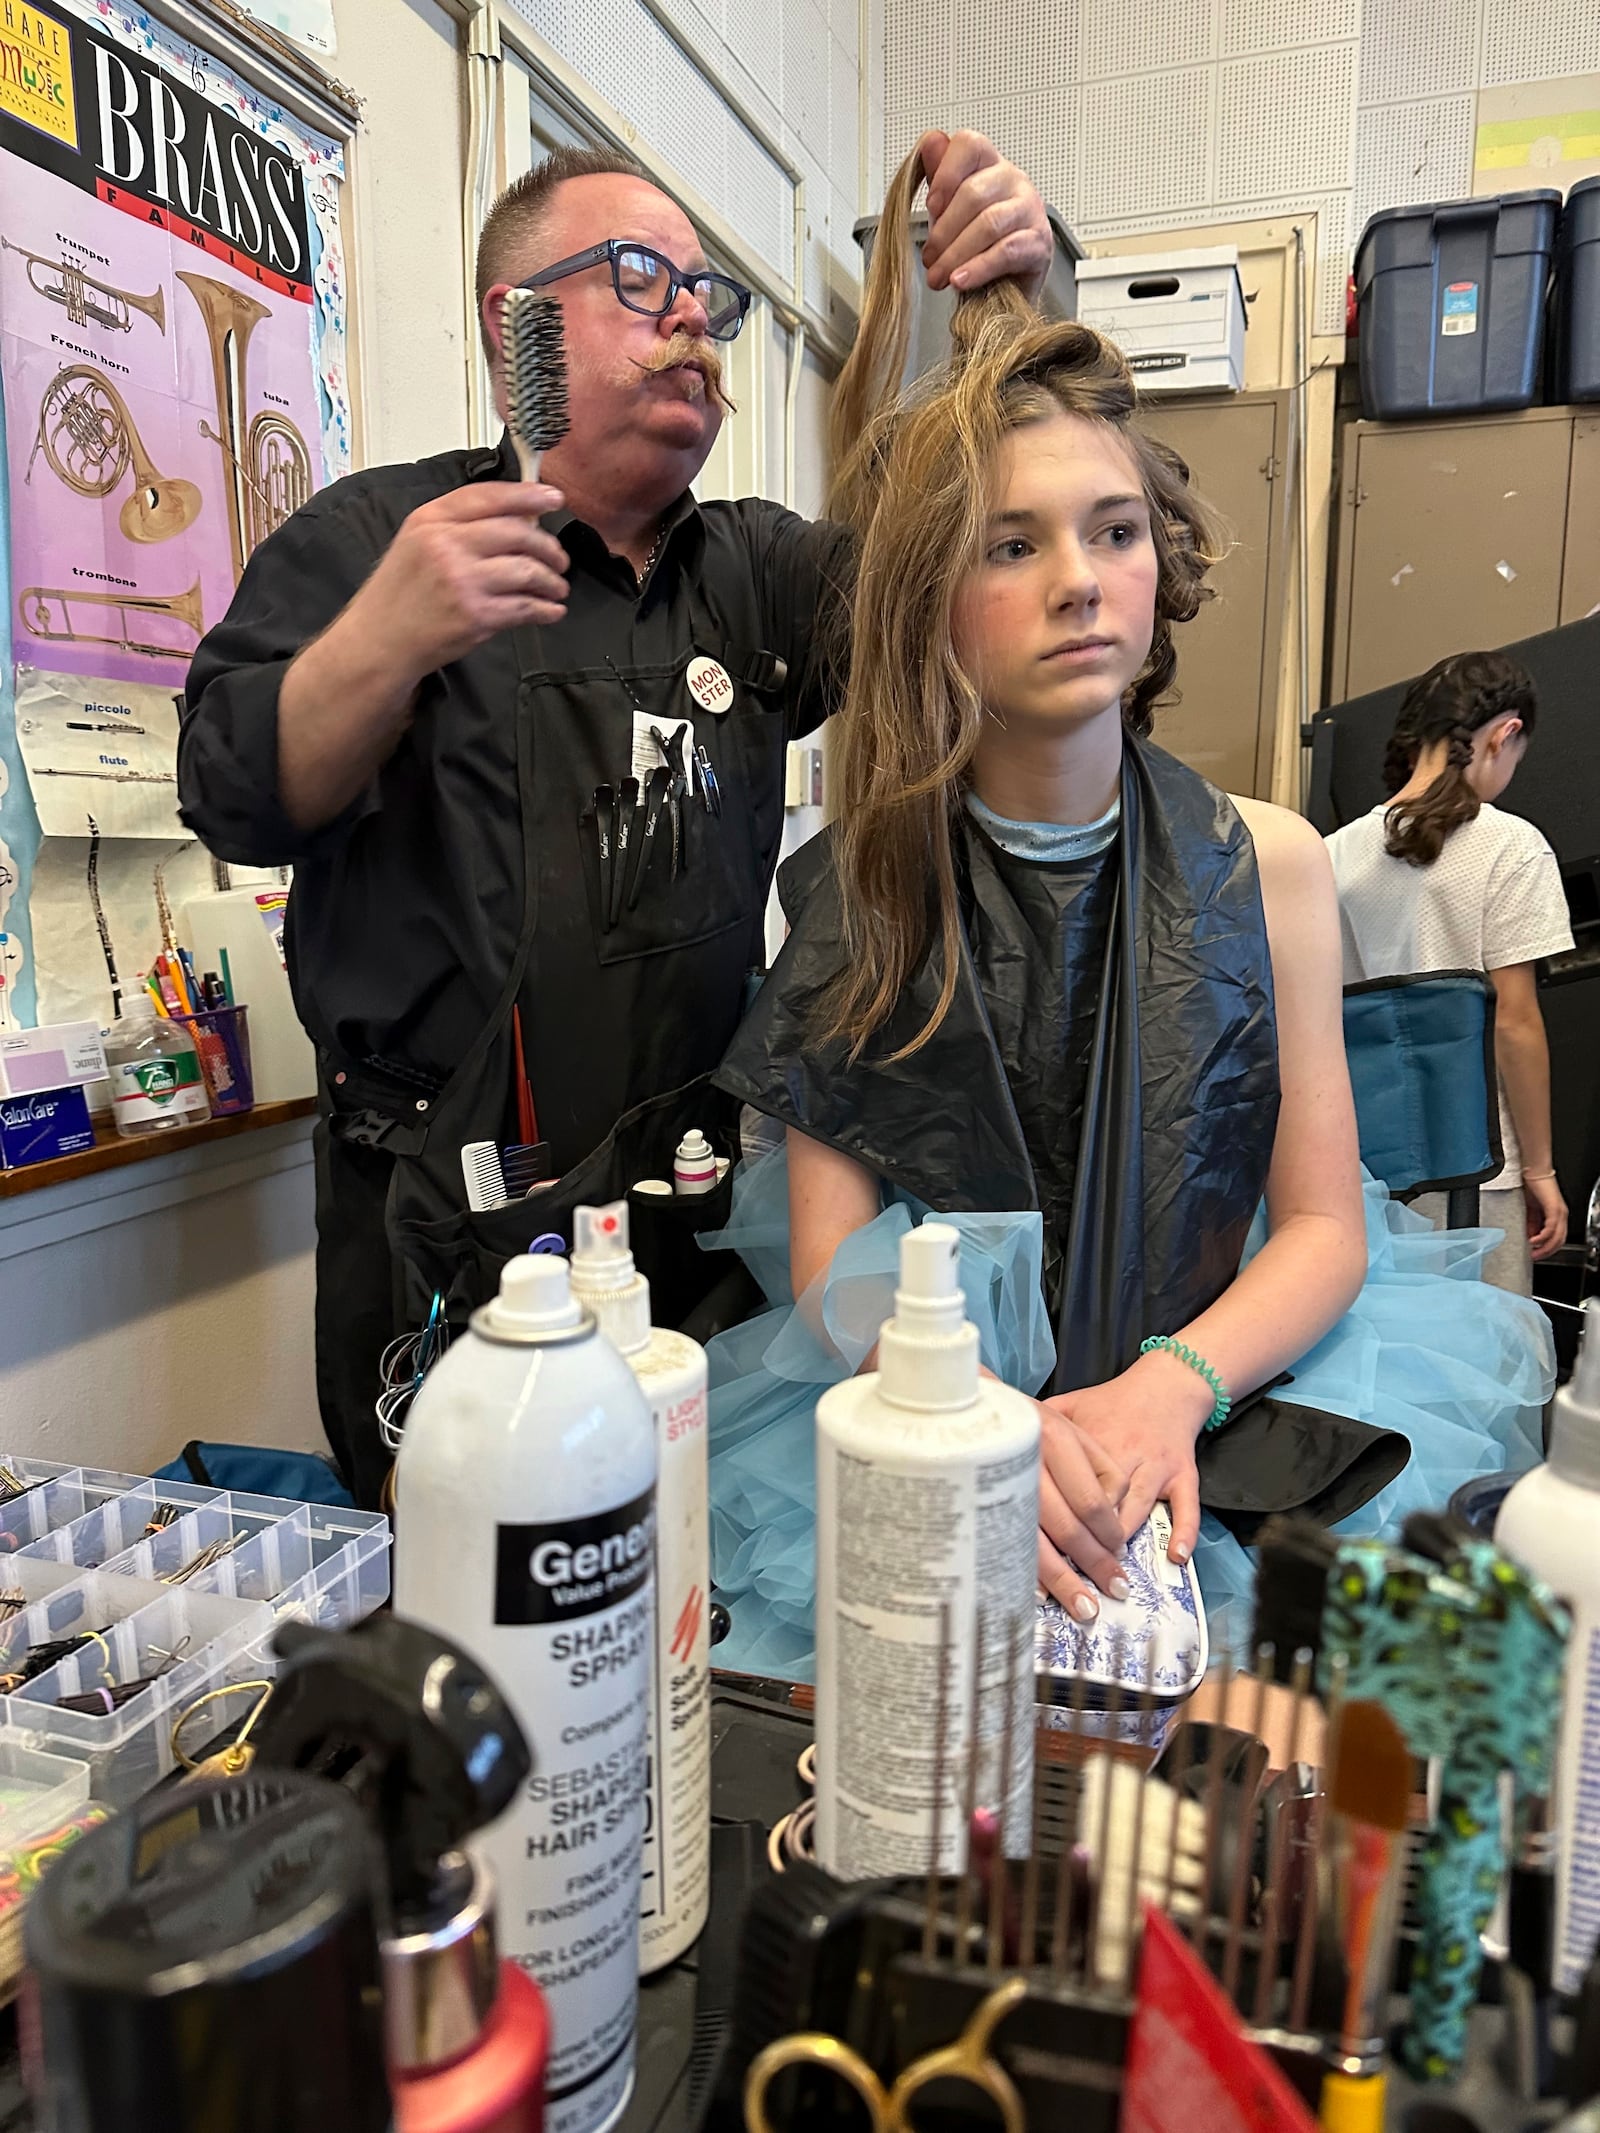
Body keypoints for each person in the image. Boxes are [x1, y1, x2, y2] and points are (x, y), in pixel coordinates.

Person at [700, 159, 1554, 1676]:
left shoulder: (1274, 864)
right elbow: (835, 1267)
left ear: (1164, 560)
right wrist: (990, 1432)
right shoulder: (862, 884)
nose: (1079, 583)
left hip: (1222, 1403)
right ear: (931, 602)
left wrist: (1170, 1384)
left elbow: (1320, 1222)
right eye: (1011, 546)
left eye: (1112, 532)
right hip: (953, 1433)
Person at [176, 132, 1054, 1506]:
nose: (691, 313)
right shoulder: (372, 541)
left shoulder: (756, 574)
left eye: (707, 289)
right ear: (515, 325)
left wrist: (1016, 313)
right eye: (642, 276)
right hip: (448, 1246)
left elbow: (968, 577)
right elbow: (231, 788)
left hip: (699, 1226)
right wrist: (386, 641)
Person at [1326, 652, 1574, 1295]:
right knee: (1480, 1371)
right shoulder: (1511, 846)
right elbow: (1515, 1024)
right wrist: (1542, 1170)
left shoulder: (1332, 854)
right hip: (1477, 1170)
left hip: (1357, 1172)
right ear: (1504, 735)